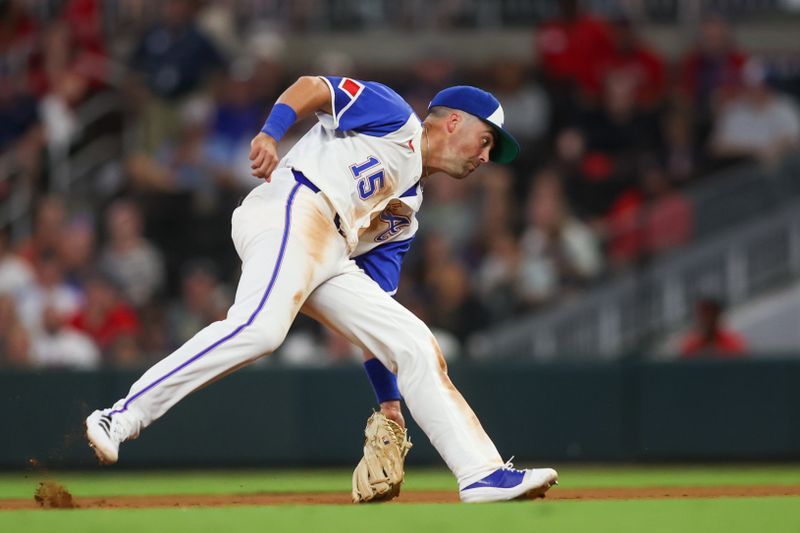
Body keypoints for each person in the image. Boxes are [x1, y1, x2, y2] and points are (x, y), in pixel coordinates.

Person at [85, 75, 558, 503]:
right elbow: (315, 87)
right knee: (261, 330)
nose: (485, 157)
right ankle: (120, 417)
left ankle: (481, 474)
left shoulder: (405, 212)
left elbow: (373, 313)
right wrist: (271, 130)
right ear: (454, 122)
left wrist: (389, 403)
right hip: (292, 203)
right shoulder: (396, 118)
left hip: (330, 251)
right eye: (485, 141)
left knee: (411, 343)